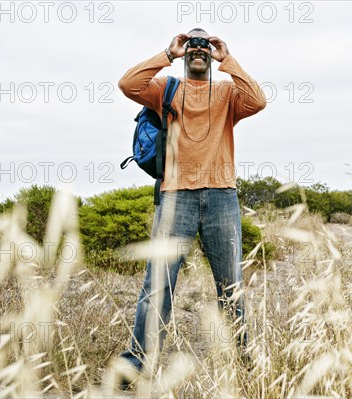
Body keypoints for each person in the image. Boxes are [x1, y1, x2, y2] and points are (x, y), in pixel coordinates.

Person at [116, 28, 266, 381]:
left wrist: (226, 58)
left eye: (204, 44)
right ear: (184, 53)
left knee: (231, 286)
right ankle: (137, 366)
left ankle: (245, 363)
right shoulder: (166, 88)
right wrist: (168, 54)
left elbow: (258, 100)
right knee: (157, 286)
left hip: (221, 198)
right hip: (174, 197)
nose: (198, 49)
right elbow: (127, 84)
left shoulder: (229, 93)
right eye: (192, 45)